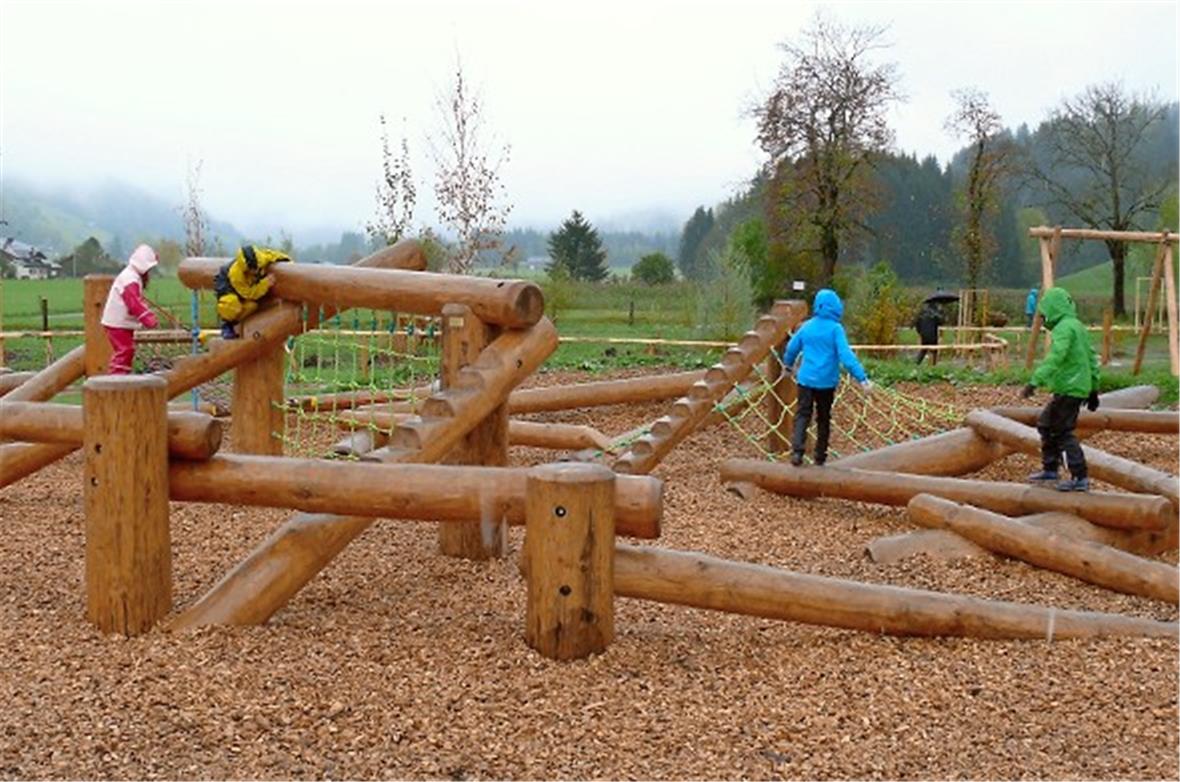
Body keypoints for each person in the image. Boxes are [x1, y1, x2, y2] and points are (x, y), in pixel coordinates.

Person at [1022, 286, 1100, 492]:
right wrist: (1093, 388)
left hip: (1069, 387)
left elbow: (1056, 357)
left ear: (1053, 309)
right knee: (1046, 424)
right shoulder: (1077, 326)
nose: (1042, 318)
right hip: (1076, 386)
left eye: (1044, 313)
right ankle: (1050, 468)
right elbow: (1091, 358)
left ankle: (1079, 475)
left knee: (1062, 430)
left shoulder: (1064, 329)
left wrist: (1035, 381)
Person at [781, 288, 871, 467]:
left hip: (806, 380)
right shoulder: (835, 329)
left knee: (802, 414)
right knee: (823, 418)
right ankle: (820, 456)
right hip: (826, 382)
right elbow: (846, 355)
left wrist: (788, 366)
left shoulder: (807, 326)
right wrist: (862, 378)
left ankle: (797, 452)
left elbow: (791, 347)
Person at [100, 244, 160, 373]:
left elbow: (135, 301)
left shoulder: (131, 276)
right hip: (117, 323)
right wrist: (148, 319)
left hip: (119, 322)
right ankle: (117, 376)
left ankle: (121, 375)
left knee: (126, 350)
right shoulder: (130, 279)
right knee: (125, 350)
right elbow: (134, 304)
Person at [214, 245, 292, 339]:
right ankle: (227, 324)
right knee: (231, 304)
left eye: (256, 268)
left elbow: (275, 255)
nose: (254, 271)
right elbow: (249, 293)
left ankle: (236, 322)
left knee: (252, 306)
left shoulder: (263, 258)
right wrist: (266, 284)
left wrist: (288, 263)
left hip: (248, 286)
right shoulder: (236, 274)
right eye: (251, 269)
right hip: (228, 286)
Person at [914, 301, 943, 365]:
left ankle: (917, 363)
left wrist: (920, 332)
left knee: (923, 350)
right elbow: (940, 322)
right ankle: (934, 365)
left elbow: (917, 323)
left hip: (924, 335)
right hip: (932, 335)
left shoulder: (922, 313)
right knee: (934, 350)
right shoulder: (935, 314)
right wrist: (941, 312)